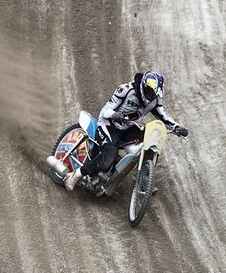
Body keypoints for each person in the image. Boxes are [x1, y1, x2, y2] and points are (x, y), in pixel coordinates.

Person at [56, 70, 188, 193]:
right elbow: (105, 111)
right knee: (107, 158)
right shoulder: (126, 90)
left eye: (153, 94)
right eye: (148, 92)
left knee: (150, 137)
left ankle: (143, 177)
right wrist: (115, 115)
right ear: (143, 87)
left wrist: (177, 127)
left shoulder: (154, 101)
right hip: (109, 125)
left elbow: (163, 116)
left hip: (128, 127)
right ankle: (75, 175)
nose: (150, 96)